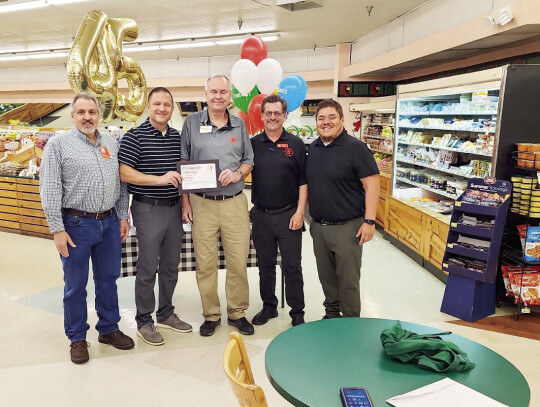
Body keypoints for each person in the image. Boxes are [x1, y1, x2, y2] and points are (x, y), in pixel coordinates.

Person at [40, 93, 134, 364]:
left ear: (99, 115)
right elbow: (49, 190)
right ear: (73, 116)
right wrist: (57, 229)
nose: (87, 117)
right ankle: (77, 337)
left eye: (92, 111)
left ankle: (108, 328)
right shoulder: (58, 146)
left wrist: (122, 215)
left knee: (108, 280)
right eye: (81, 112)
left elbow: (121, 183)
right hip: (75, 225)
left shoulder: (110, 143)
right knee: (75, 285)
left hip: (108, 223)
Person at [181, 73, 254, 337]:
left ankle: (237, 312)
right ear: (206, 95)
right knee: (206, 263)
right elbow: (184, 164)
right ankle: (211, 314)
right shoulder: (191, 123)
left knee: (237, 261)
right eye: (213, 92)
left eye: (223, 92)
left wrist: (238, 174)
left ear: (230, 96)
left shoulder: (239, 125)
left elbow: (249, 160)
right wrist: (185, 203)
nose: (218, 96)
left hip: (235, 202)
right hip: (202, 204)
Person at [118, 87, 192, 346]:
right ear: (148, 107)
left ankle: (166, 313)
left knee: (171, 264)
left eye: (167, 105)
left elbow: (182, 175)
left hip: (173, 209)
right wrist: (159, 180)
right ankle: (144, 320)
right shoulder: (134, 137)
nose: (162, 108)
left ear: (172, 109)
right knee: (148, 266)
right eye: (157, 104)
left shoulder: (176, 137)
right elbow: (124, 173)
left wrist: (185, 203)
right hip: (147, 208)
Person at [306, 99, 380, 318]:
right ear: (316, 122)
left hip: (348, 227)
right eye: (321, 118)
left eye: (331, 117)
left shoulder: (356, 149)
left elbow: (372, 186)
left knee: (348, 281)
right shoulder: (314, 147)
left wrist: (369, 221)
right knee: (326, 277)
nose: (326, 122)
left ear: (341, 120)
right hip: (319, 227)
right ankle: (331, 315)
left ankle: (350, 322)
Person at [250, 95, 307, 327]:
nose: (272, 117)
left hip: (289, 215)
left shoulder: (296, 144)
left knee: (292, 266)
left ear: (285, 115)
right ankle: (269, 306)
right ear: (262, 115)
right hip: (261, 215)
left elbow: (304, 181)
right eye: (268, 113)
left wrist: (300, 212)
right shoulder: (253, 144)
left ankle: (297, 311)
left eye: (277, 113)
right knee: (265, 266)